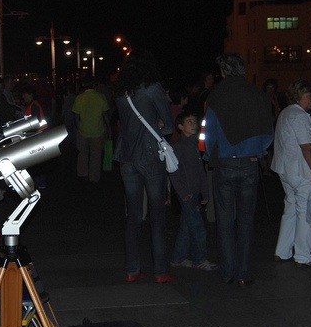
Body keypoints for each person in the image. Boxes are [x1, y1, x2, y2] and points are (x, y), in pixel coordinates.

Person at [203, 53, 274, 287]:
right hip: (250, 162)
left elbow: (210, 134)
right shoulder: (257, 95)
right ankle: (243, 272)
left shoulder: (216, 96)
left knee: (225, 220)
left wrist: (209, 155)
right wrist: (257, 150)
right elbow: (267, 132)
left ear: (223, 71)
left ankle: (227, 272)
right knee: (246, 220)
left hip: (224, 162)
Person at [114, 50, 176, 284]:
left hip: (127, 156)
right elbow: (168, 126)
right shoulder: (153, 89)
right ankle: (160, 270)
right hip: (150, 156)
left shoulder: (121, 93)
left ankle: (132, 268)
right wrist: (158, 124)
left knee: (133, 215)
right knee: (157, 213)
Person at [271, 80, 311, 268]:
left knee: (291, 209)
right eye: (309, 95)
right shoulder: (299, 116)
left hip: (286, 169)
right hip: (300, 170)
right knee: (305, 211)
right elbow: (306, 147)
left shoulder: (286, 113)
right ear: (299, 96)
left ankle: (283, 251)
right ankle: (303, 256)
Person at [169, 112, 215, 271]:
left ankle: (178, 258)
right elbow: (174, 173)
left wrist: (205, 192)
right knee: (198, 229)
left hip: (193, 192)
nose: (193, 124)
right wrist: (182, 193)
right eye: (189, 121)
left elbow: (200, 171)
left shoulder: (193, 146)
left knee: (187, 227)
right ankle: (199, 259)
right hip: (187, 194)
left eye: (194, 121)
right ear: (181, 127)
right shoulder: (179, 147)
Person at [72, 78, 111, 183]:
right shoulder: (101, 97)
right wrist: (109, 128)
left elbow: (76, 116)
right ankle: (94, 178)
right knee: (96, 155)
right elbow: (105, 116)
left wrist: (78, 127)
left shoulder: (79, 98)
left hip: (82, 130)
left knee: (82, 153)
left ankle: (82, 174)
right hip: (98, 131)